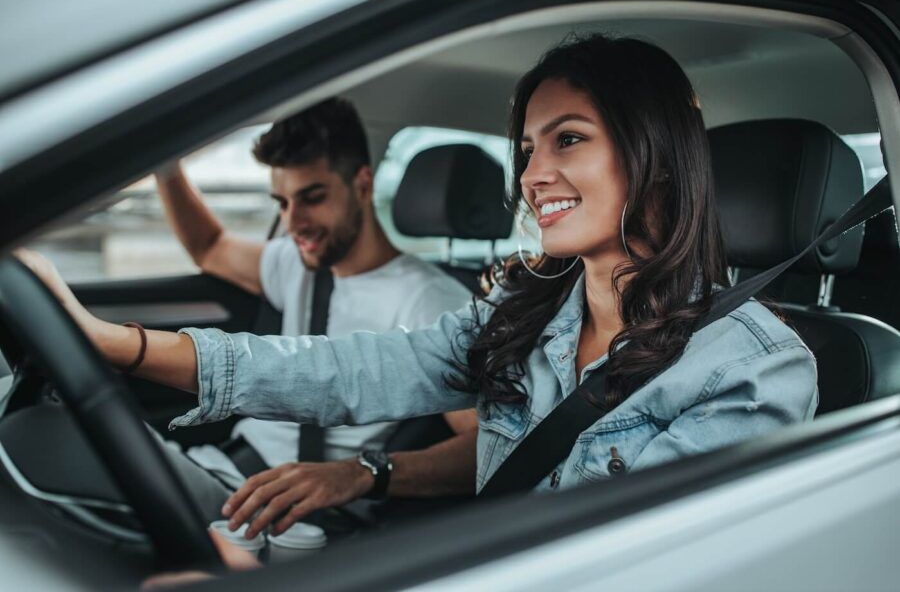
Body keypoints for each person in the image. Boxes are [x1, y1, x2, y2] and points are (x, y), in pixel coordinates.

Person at [18, 33, 817, 552]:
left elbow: (607, 562)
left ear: (658, 153)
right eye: (528, 148)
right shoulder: (524, 312)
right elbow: (347, 372)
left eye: (569, 139)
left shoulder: (753, 371)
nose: (534, 176)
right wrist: (110, 342)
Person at [151, 98, 479, 530]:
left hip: (284, 515)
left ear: (362, 184)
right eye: (283, 203)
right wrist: (163, 164)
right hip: (222, 471)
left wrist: (362, 473)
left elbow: (489, 445)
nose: (293, 222)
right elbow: (209, 248)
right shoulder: (299, 263)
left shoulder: (431, 300)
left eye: (312, 197)